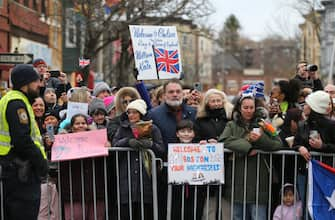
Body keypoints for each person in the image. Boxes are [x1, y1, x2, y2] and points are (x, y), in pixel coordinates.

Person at [218, 94, 282, 220]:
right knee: (237, 216)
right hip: (237, 177)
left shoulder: (264, 124)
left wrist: (261, 139)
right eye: (245, 107)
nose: (248, 111)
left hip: (259, 178)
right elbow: (224, 140)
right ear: (240, 109)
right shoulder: (231, 125)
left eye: (251, 107)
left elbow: (278, 143)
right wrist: (248, 147)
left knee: (258, 216)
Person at [0, 64, 48, 219]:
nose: (39, 85)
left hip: (16, 168)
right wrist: (41, 162)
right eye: (36, 81)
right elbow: (22, 140)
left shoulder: (14, 100)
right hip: (21, 171)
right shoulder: (17, 104)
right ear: (25, 83)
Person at [148, 79, 197, 220]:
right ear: (164, 95)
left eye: (178, 91)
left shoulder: (194, 113)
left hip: (191, 172)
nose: (175, 95)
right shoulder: (154, 115)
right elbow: (152, 141)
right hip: (164, 174)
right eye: (171, 92)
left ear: (183, 93)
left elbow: (199, 136)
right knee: (167, 211)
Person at [112, 99, 164, 220]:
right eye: (129, 112)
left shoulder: (152, 128)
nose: (131, 115)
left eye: (134, 112)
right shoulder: (123, 128)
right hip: (126, 180)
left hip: (146, 179)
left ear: (141, 113)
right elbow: (115, 144)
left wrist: (149, 145)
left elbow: (161, 149)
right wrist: (127, 141)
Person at [293, 90, 335, 217]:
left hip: (324, 173)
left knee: (323, 207)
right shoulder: (302, 124)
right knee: (306, 206)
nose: (304, 107)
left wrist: (322, 146)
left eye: (307, 104)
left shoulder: (331, 126)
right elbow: (295, 143)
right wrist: (299, 147)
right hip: (304, 172)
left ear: (314, 107)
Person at [193, 88, 233, 220]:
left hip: (228, 164)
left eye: (218, 100)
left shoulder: (230, 119)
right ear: (207, 103)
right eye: (213, 101)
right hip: (208, 167)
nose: (216, 103)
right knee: (210, 205)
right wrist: (203, 142)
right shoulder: (200, 120)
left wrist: (221, 143)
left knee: (226, 204)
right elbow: (195, 138)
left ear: (223, 102)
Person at [59, 113, 106, 220]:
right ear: (72, 127)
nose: (81, 126)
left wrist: (105, 143)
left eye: (83, 123)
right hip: (73, 191)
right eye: (77, 123)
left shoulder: (96, 140)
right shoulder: (64, 141)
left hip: (95, 189)